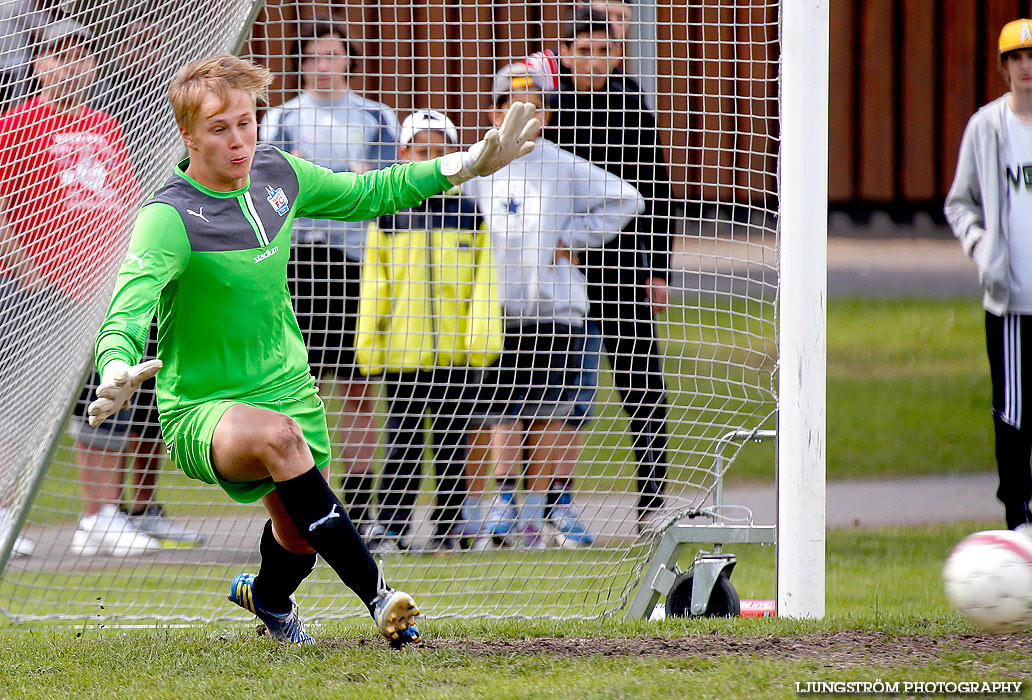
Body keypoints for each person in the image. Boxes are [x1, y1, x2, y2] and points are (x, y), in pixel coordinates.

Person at [87, 53, 539, 645]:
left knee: (299, 537)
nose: (239, 141)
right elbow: (129, 301)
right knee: (279, 440)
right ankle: (380, 599)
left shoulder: (278, 173)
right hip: (202, 404)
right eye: (220, 130)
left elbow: (369, 191)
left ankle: (268, 599)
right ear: (188, 134)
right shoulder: (169, 215)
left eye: (246, 123)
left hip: (286, 386)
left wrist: (467, 164)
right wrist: (115, 360)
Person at [464, 63, 643, 548]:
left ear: (547, 112)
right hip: (498, 311)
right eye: (510, 103)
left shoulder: (562, 164)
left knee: (553, 410)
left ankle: (542, 511)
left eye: (535, 105)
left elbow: (627, 199)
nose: (522, 113)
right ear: (494, 110)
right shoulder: (476, 165)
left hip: (556, 309)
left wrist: (573, 238)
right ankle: (501, 505)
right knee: (500, 409)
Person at [0, 18, 140, 558]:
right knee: (19, 408)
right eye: (59, 55)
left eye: (80, 54)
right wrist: (25, 268)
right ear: (38, 65)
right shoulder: (17, 124)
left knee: (107, 401)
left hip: (100, 292)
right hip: (36, 289)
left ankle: (100, 516)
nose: (72, 64)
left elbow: (125, 205)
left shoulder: (105, 127)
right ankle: (4, 511)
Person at [260, 21, 397, 538]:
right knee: (300, 386)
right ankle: (303, 501)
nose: (324, 65)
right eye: (313, 56)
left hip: (356, 265)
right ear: (299, 65)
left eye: (333, 55)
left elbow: (382, 185)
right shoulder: (279, 120)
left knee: (358, 388)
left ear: (348, 60)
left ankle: (359, 506)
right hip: (298, 266)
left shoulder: (376, 116)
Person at [543, 8, 677, 529]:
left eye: (604, 51)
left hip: (620, 266)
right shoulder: (551, 108)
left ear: (618, 53)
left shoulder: (631, 104)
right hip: (559, 268)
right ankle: (550, 506)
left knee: (642, 382)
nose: (595, 61)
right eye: (583, 51)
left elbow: (657, 194)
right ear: (567, 55)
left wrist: (658, 268)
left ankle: (652, 504)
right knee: (560, 388)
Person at [356, 109, 502, 552]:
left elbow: (484, 283)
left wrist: (482, 342)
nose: (432, 158)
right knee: (401, 445)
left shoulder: (469, 214)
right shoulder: (389, 213)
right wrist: (369, 345)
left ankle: (451, 525)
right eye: (423, 152)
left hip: (456, 358)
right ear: (403, 155)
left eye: (441, 152)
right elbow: (374, 284)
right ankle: (392, 527)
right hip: (402, 357)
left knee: (452, 444)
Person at [946, 18, 1032, 538]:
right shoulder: (987, 128)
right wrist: (982, 249)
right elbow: (960, 202)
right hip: (1010, 302)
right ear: (1004, 67)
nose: (1027, 66)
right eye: (1017, 57)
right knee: (1014, 415)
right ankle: (1018, 519)